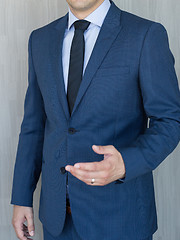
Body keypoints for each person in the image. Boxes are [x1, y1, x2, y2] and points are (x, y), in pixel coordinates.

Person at [10, 0, 180, 239]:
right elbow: (33, 127)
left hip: (121, 219)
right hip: (57, 221)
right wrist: (22, 198)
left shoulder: (145, 35)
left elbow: (170, 121)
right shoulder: (40, 40)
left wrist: (126, 164)